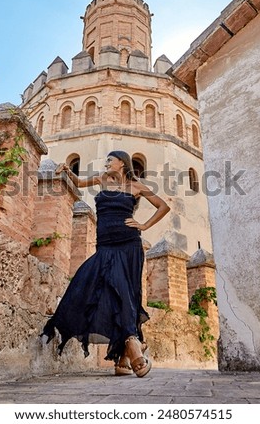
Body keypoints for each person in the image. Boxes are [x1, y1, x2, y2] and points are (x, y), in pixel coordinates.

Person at [41, 150, 170, 378]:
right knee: (90, 284)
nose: (107, 163)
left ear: (122, 163)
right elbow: (80, 182)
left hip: (129, 246)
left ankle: (127, 353)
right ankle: (133, 346)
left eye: (110, 160)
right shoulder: (102, 179)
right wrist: (67, 170)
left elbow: (163, 206)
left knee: (126, 294)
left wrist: (144, 225)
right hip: (105, 246)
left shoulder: (137, 186)